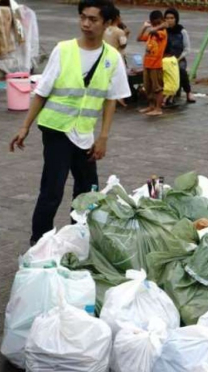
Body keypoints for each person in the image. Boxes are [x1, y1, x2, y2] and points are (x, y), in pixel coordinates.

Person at [8, 0, 130, 246]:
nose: (86, 24)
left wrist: (103, 137)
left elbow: (110, 100)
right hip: (56, 129)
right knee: (52, 190)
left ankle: (79, 239)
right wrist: (25, 126)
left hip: (84, 133)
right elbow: (42, 91)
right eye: (83, 17)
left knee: (88, 191)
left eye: (93, 19)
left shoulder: (112, 58)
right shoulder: (63, 50)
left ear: (107, 23)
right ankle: (39, 244)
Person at [137, 10, 168, 116]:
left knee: (157, 87)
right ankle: (151, 106)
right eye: (153, 23)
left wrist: (162, 25)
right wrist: (144, 26)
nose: (155, 25)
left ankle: (158, 108)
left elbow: (154, 31)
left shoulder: (162, 33)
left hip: (156, 64)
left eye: (158, 23)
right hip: (147, 64)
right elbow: (138, 38)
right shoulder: (151, 34)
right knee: (148, 87)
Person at [164, 8, 195, 104]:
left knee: (181, 70)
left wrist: (178, 59)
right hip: (166, 58)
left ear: (176, 19)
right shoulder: (163, 31)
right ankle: (165, 93)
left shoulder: (182, 31)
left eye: (172, 18)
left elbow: (187, 49)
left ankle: (188, 92)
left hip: (179, 58)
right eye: (167, 18)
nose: (169, 20)